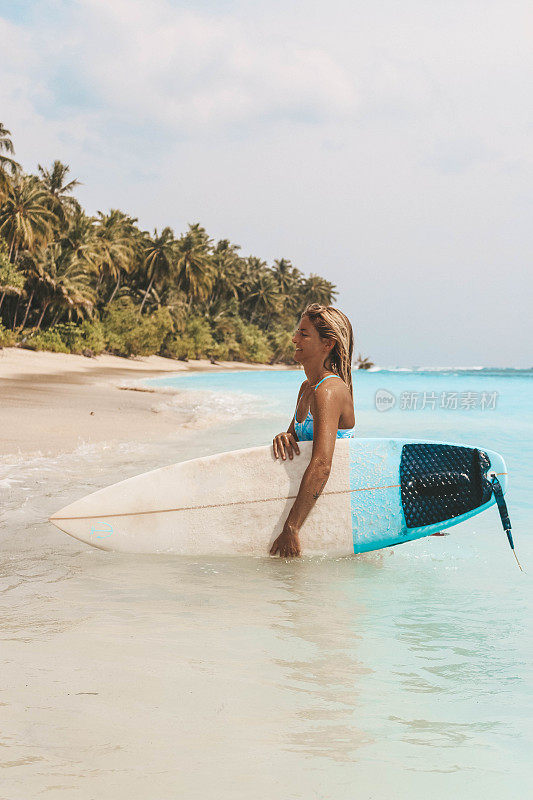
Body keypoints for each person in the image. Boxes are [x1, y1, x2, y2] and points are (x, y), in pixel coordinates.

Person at [270, 303, 356, 558]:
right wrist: (284, 437)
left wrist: (291, 528)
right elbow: (296, 442)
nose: (294, 338)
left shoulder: (328, 391)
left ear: (327, 344)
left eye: (304, 334)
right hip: (316, 503)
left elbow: (321, 464)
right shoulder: (307, 388)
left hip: (338, 503)